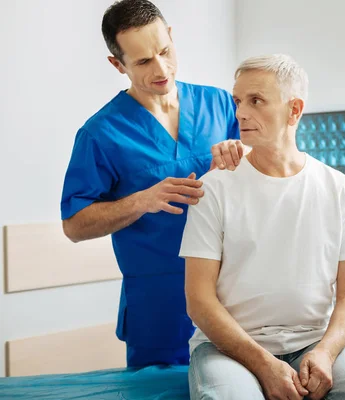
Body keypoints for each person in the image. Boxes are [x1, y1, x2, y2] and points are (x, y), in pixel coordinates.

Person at [180, 54, 345, 400]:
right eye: (238, 101)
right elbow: (198, 300)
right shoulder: (214, 188)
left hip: (311, 343)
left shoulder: (339, 189)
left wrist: (325, 353)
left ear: (294, 110)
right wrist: (265, 364)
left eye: (256, 101)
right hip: (227, 350)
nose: (240, 112)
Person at [60, 0, 243, 367]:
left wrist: (245, 158)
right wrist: (142, 200)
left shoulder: (220, 105)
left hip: (231, 296)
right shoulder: (101, 133)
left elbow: (255, 184)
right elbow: (75, 225)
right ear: (118, 64)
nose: (161, 69)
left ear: (172, 37)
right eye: (143, 61)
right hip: (158, 307)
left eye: (165, 51)